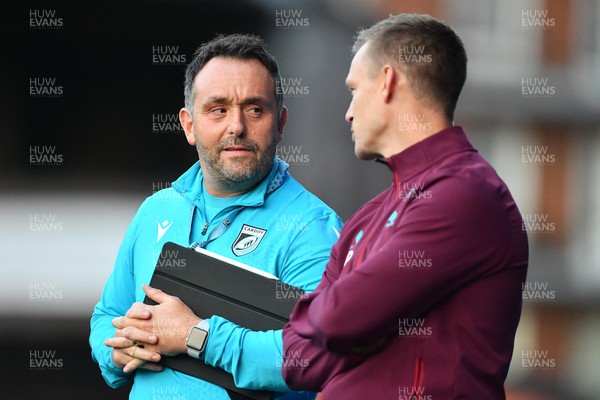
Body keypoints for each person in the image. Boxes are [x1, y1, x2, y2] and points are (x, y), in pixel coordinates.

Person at [281, 14, 528, 399]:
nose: (347, 111)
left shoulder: (465, 196)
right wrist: (355, 328)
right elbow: (298, 361)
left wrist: (339, 324)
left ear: (387, 81)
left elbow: (336, 319)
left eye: (353, 89)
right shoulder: (368, 214)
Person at [89, 33, 342, 399]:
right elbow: (106, 315)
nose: (236, 126)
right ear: (189, 124)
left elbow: (318, 358)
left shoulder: (311, 228)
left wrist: (196, 337)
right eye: (218, 109)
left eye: (255, 109)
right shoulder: (156, 210)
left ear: (281, 123)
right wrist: (116, 350)